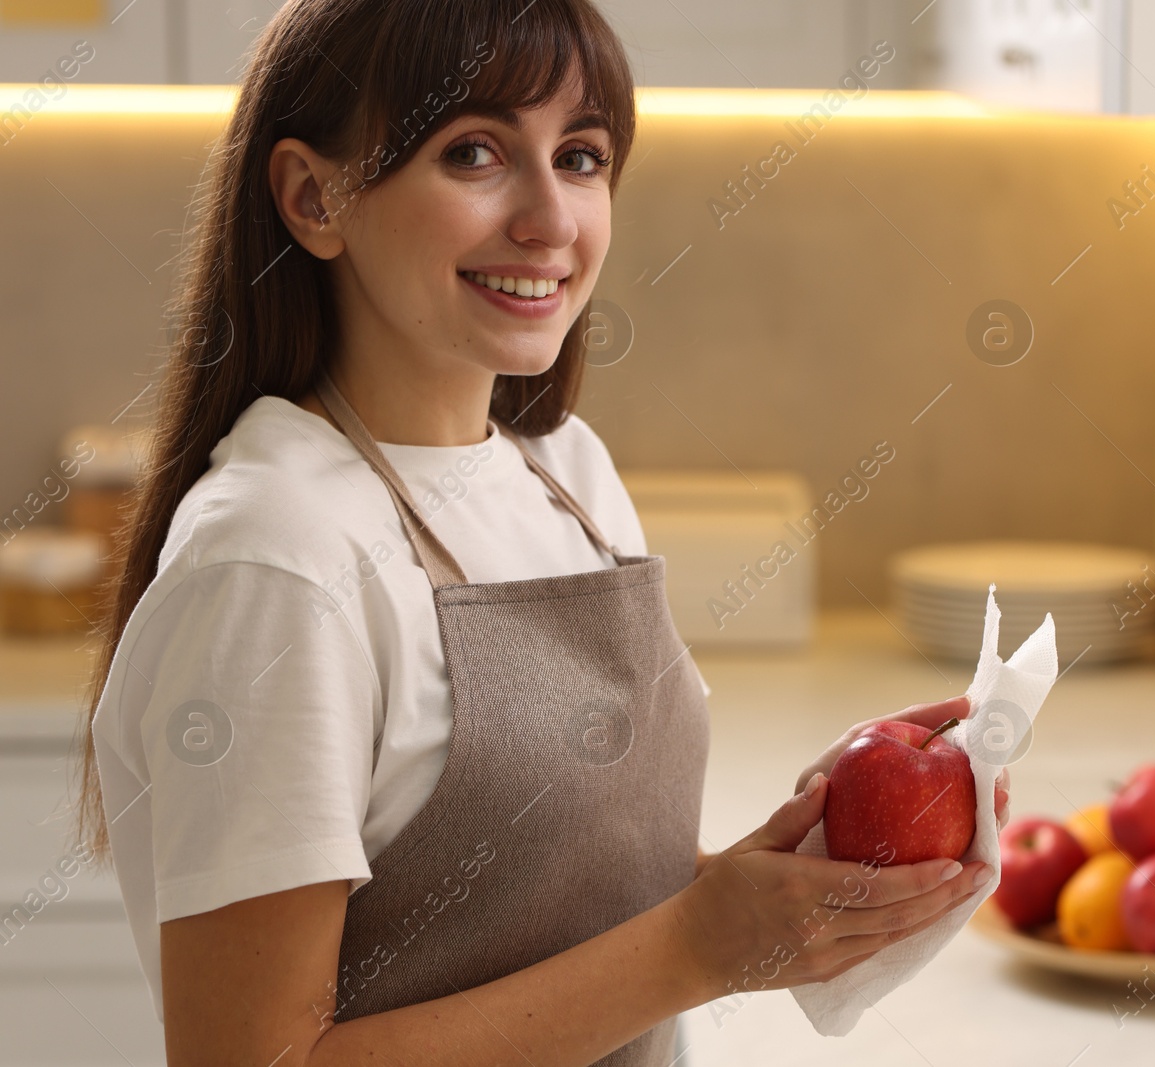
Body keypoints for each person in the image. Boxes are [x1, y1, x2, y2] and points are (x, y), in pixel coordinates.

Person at [75, 2, 1007, 1065]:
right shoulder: (277, 562)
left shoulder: (564, 472)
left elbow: (562, 907)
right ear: (312, 196)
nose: (551, 219)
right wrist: (699, 947)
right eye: (472, 151)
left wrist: (784, 880)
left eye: (580, 156)